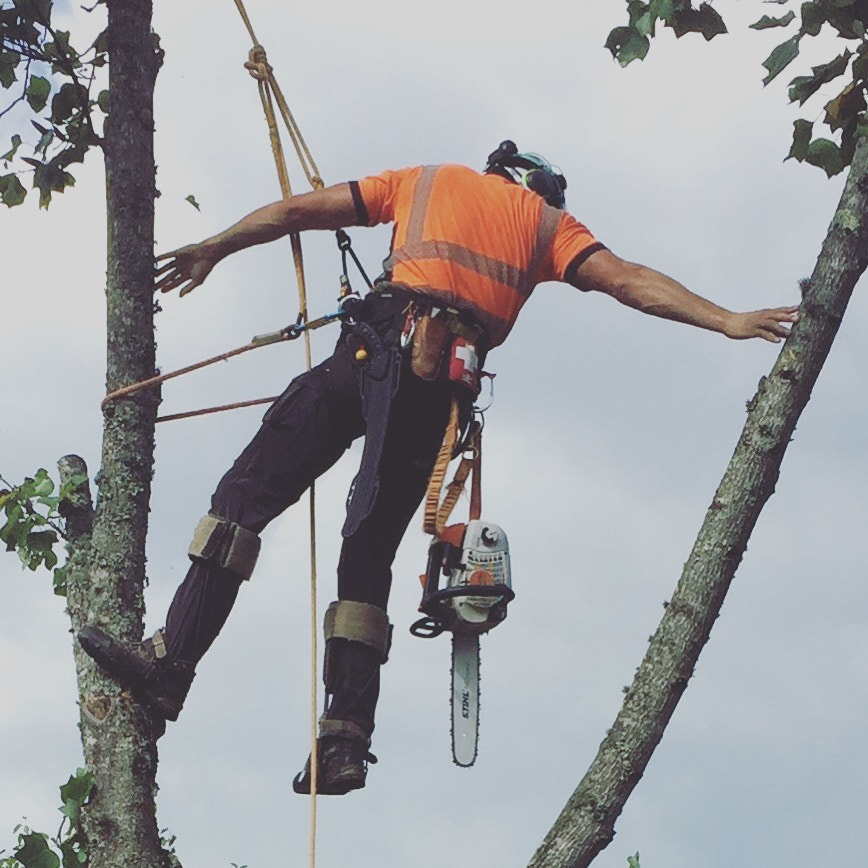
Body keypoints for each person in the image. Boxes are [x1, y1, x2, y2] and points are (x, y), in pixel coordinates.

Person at [78, 141, 799, 795]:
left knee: (242, 499)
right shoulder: (549, 227)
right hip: (433, 396)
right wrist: (727, 319)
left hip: (371, 351)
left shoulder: (425, 180)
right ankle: (345, 741)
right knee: (365, 560)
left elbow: (299, 209)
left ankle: (171, 667)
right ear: (543, 189)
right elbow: (629, 280)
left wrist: (216, 246)